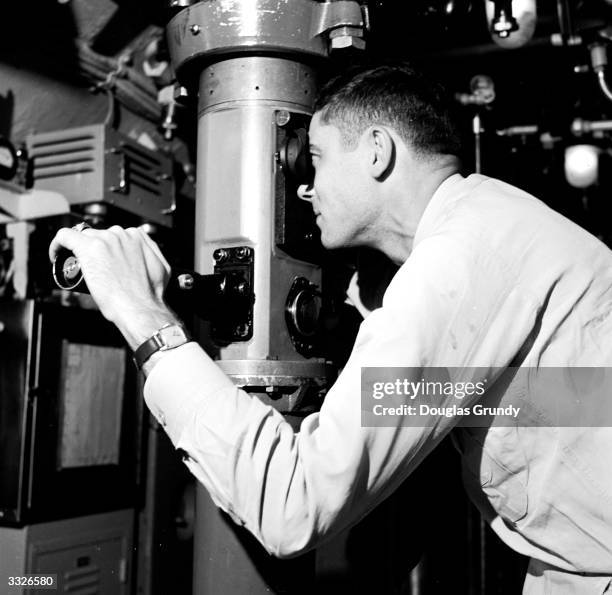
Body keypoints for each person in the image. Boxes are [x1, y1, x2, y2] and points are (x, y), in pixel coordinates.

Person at [49, 64, 612, 593]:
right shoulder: (498, 225)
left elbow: (291, 504)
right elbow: (553, 408)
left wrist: (144, 317)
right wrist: (379, 327)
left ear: (376, 151)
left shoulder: (461, 261)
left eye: (312, 158)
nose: (303, 187)